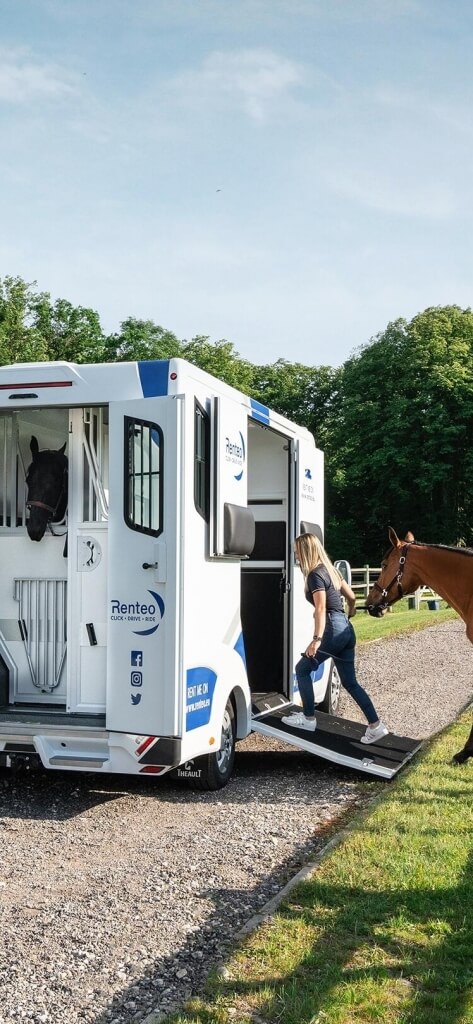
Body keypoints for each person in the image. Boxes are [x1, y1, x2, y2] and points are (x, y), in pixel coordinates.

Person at [281, 533, 389, 744]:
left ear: (306, 551)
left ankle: (308, 718)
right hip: (346, 630)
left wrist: (316, 639)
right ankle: (376, 726)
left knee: (302, 669)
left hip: (332, 629)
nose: (296, 556)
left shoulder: (315, 575)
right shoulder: (332, 570)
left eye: (297, 552)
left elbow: (321, 608)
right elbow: (351, 597)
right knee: (350, 683)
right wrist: (350, 611)